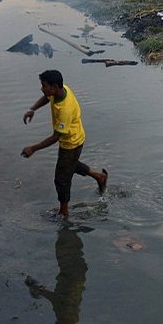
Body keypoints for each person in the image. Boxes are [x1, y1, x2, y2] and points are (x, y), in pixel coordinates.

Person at [21, 70, 108, 220]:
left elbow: (56, 136)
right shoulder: (61, 89)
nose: (42, 88)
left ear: (54, 87)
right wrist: (32, 109)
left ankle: (64, 212)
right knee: (69, 165)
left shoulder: (64, 110)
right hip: (75, 137)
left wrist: (33, 148)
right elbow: (47, 97)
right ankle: (99, 177)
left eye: (44, 85)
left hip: (71, 143)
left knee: (61, 178)